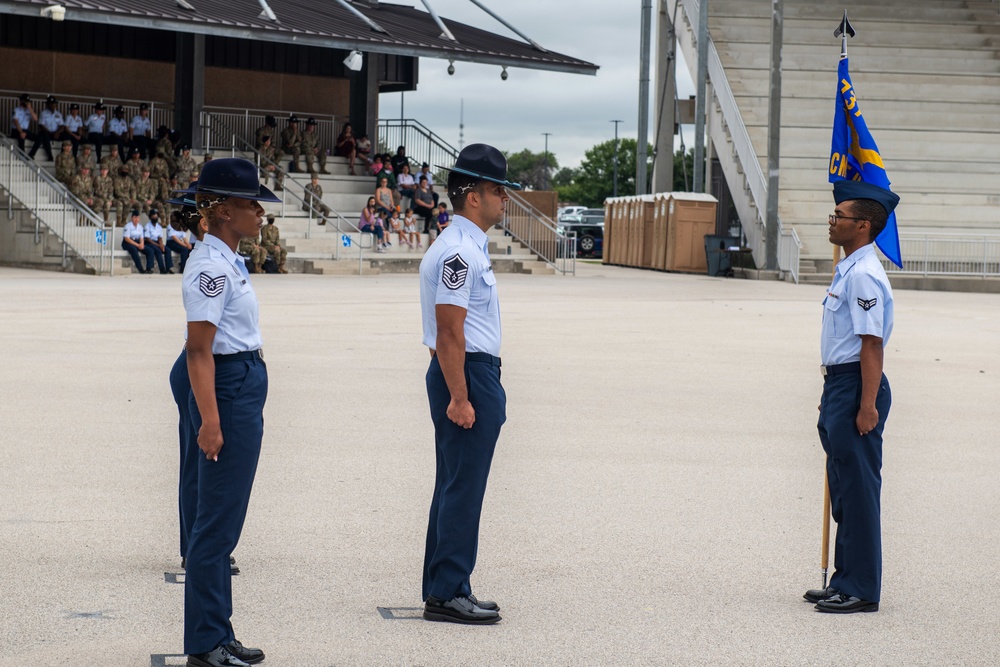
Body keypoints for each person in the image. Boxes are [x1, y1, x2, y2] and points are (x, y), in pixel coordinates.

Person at [176, 157, 279, 666]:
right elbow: (199, 351)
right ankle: (206, 642)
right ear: (219, 211)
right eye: (250, 204)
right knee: (216, 523)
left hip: (240, 380)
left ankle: (219, 632)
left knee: (223, 519)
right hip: (227, 387)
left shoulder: (228, 259)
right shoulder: (211, 267)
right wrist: (211, 423)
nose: (260, 213)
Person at [418, 143, 520, 625]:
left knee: (453, 483)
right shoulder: (459, 252)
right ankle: (447, 590)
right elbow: (449, 330)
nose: (505, 199)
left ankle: (445, 583)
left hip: (465, 369)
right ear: (473, 197)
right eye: (499, 191)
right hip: (468, 373)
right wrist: (460, 395)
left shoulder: (460, 244)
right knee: (464, 487)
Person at [804, 180, 898, 615]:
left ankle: (861, 589)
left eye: (838, 216)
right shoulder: (848, 268)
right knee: (843, 489)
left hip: (858, 385)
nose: (831, 221)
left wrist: (866, 404)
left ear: (861, 225)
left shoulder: (862, 274)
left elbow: (871, 344)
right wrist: (833, 393)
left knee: (858, 491)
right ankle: (845, 579)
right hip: (841, 383)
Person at [36, 95, 66, 161]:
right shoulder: (43, 113)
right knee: (43, 135)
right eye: (50, 104)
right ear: (47, 104)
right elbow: (41, 125)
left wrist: (57, 133)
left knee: (66, 136)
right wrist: (51, 133)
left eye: (53, 104)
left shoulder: (58, 114)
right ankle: (50, 156)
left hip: (56, 133)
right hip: (47, 133)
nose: (52, 105)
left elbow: (62, 126)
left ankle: (62, 155)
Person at [144, 207, 171, 274]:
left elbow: (160, 237)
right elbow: (148, 239)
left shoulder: (159, 226)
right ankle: (162, 269)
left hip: (157, 242)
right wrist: (158, 245)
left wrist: (161, 245)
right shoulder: (147, 226)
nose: (155, 218)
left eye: (156, 216)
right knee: (158, 251)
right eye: (153, 216)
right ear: (150, 217)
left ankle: (168, 268)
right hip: (149, 242)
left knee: (167, 250)